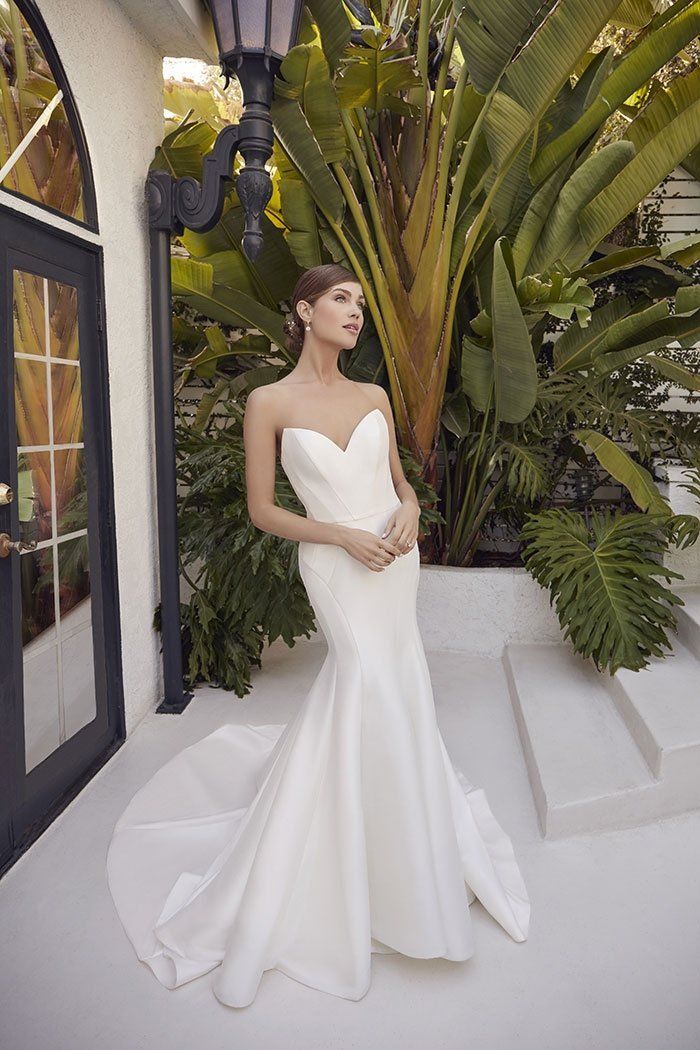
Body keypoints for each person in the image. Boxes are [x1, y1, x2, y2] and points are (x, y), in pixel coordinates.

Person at [106, 263, 530, 1009]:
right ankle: (332, 870)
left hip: (395, 563)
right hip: (334, 565)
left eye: (360, 303)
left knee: (396, 690)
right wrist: (341, 536)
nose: (355, 312)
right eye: (341, 299)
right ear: (304, 310)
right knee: (363, 680)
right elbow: (265, 510)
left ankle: (401, 863)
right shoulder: (268, 401)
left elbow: (399, 479)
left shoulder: (372, 395)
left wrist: (407, 511)